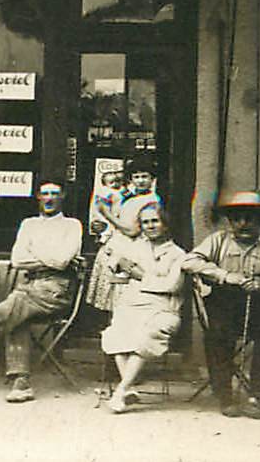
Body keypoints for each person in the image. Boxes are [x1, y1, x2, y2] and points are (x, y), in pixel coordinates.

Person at [183, 190, 260, 420]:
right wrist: (224, 275)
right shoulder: (217, 240)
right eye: (237, 218)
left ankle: (259, 398)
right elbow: (189, 261)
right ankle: (225, 397)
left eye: (250, 218)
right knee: (217, 337)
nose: (243, 224)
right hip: (224, 304)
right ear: (230, 220)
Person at [0, 179, 84, 403]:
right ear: (38, 197)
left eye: (54, 193)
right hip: (29, 288)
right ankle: (21, 382)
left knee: (16, 302)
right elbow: (17, 259)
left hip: (56, 289)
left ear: (63, 197)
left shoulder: (72, 225)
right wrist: (48, 257)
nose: (50, 198)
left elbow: (62, 263)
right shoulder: (28, 224)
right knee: (19, 309)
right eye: (45, 194)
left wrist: (33, 250)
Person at [99, 199, 187, 414]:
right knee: (115, 332)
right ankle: (126, 389)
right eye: (145, 222)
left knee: (145, 335)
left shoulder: (177, 254)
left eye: (155, 221)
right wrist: (117, 263)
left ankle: (121, 390)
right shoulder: (136, 247)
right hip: (134, 304)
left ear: (165, 224)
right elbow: (116, 267)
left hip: (164, 308)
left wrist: (140, 275)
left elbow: (172, 285)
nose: (150, 226)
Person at [88, 159, 159, 313]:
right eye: (137, 177)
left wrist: (106, 214)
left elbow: (132, 230)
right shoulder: (131, 197)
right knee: (113, 297)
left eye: (145, 177)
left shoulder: (151, 201)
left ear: (152, 179)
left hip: (133, 249)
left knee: (125, 296)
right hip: (119, 245)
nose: (140, 181)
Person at [88, 168, 126, 243]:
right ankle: (104, 237)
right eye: (111, 182)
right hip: (106, 213)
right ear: (105, 184)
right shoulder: (105, 191)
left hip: (117, 213)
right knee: (107, 227)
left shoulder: (121, 190)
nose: (114, 184)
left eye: (117, 181)